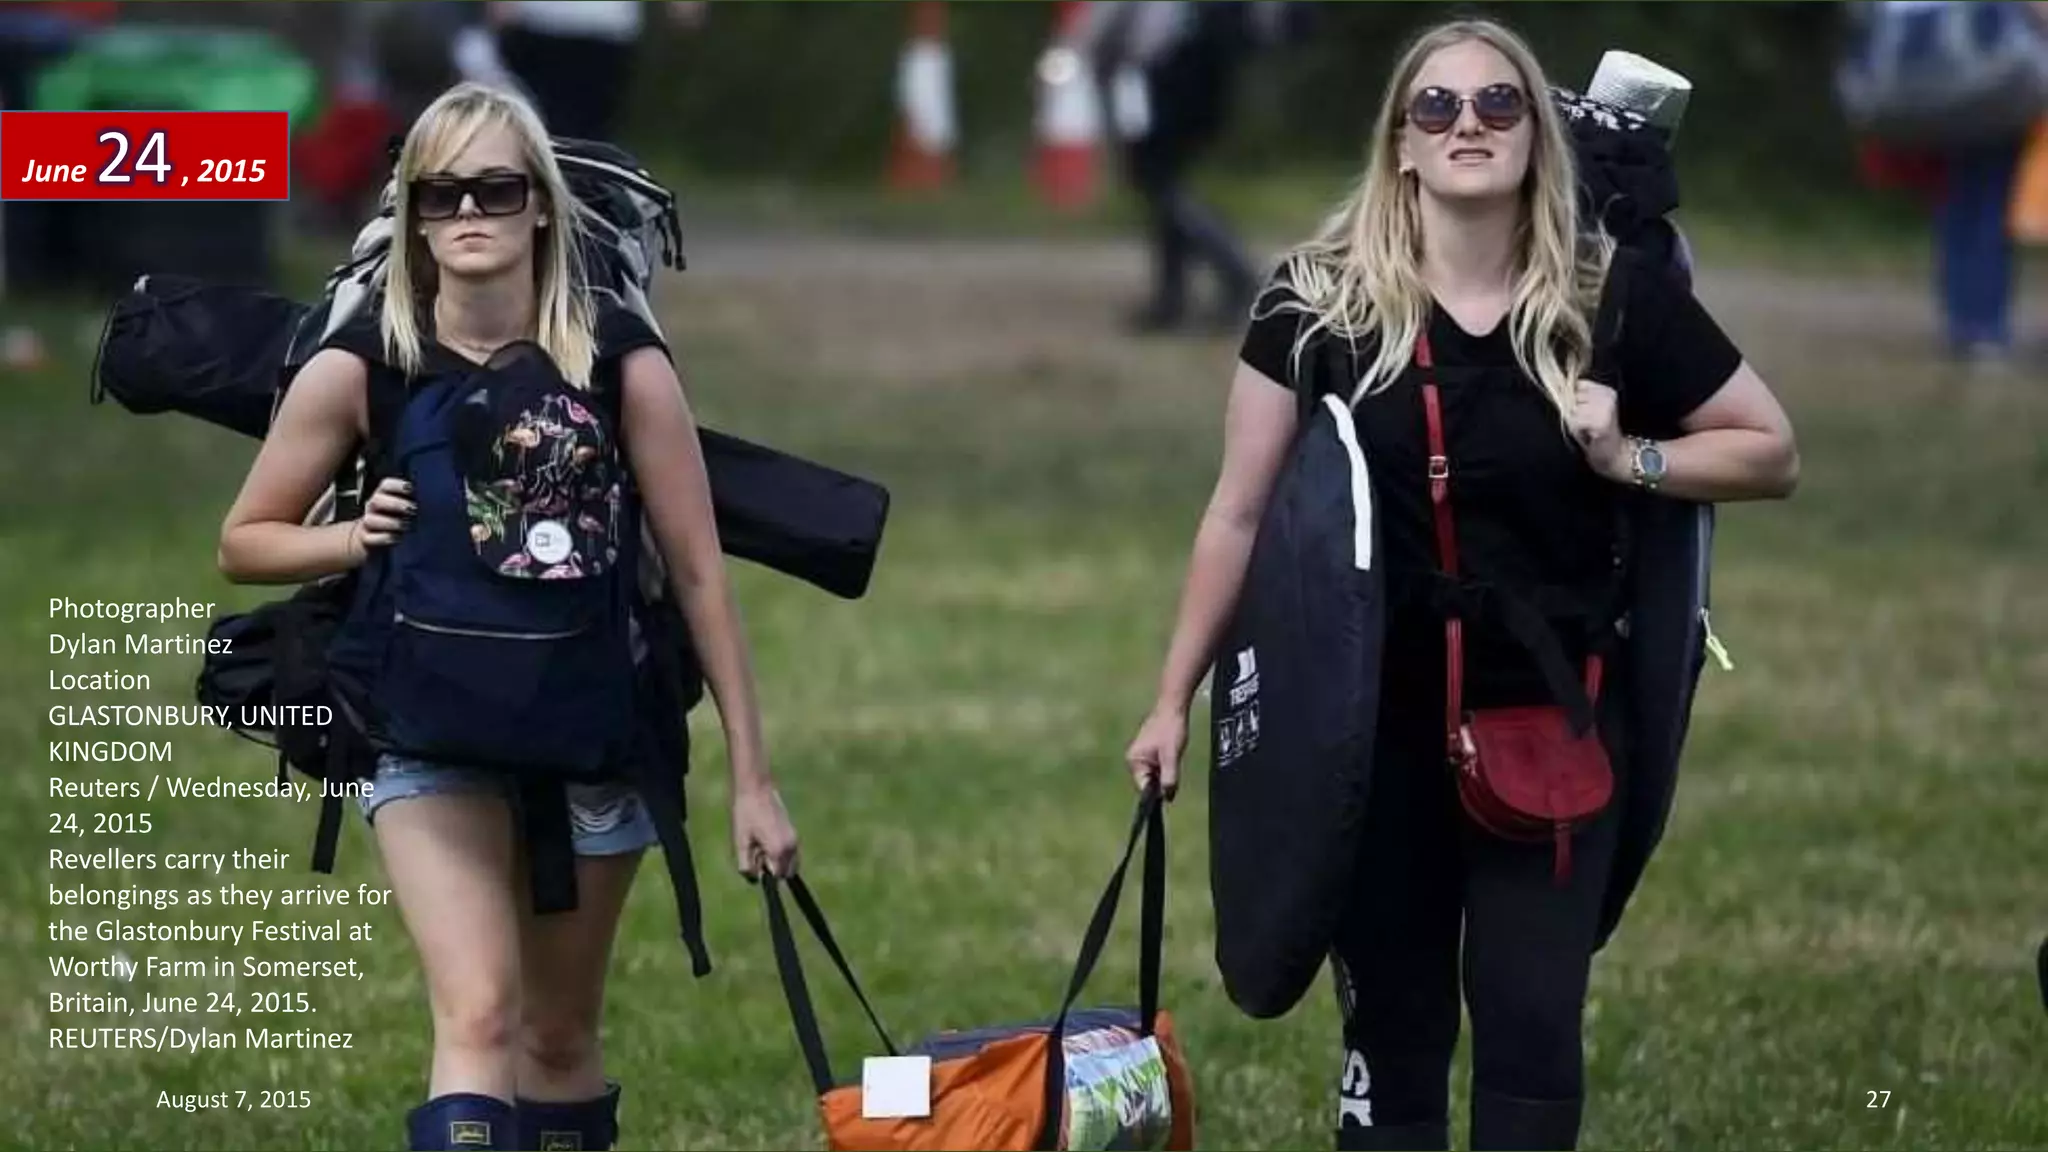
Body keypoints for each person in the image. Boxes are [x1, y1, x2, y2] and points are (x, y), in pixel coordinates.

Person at [1123, 19, 1798, 1151]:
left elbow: (1767, 450)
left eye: (1498, 105)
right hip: (1368, 739)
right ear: (1399, 144)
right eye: (1435, 107)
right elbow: (1236, 514)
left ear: (1538, 139)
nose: (1467, 125)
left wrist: (1629, 454)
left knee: (1533, 1030)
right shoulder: (1316, 304)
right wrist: (1169, 702)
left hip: (1554, 733)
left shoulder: (1608, 298)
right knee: (1392, 1033)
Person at [216, 82, 800, 1152]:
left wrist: (753, 784)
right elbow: (245, 539)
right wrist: (350, 538)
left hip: (598, 730)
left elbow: (700, 576)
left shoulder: (621, 364)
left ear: (541, 206)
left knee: (562, 1038)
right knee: (478, 1014)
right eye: (440, 197)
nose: (469, 215)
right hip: (423, 731)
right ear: (414, 216)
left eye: (494, 189)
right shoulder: (363, 368)